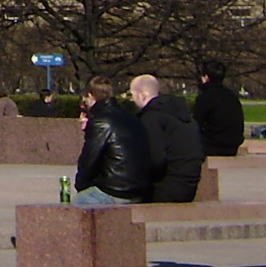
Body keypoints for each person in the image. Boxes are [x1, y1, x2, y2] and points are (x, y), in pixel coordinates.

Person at [73, 76, 155, 205]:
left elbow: (89, 160)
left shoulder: (101, 121)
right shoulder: (130, 117)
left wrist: (80, 186)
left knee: (80, 201)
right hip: (140, 189)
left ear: (90, 95)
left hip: (116, 190)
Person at [130, 74, 205, 203]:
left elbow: (155, 160)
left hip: (165, 188)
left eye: (132, 94)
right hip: (188, 186)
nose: (132, 99)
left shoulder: (151, 117)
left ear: (142, 95)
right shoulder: (181, 115)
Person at [190, 60, 245, 158]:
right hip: (232, 146)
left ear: (206, 77)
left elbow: (195, 123)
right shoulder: (231, 96)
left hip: (212, 146)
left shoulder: (205, 98)